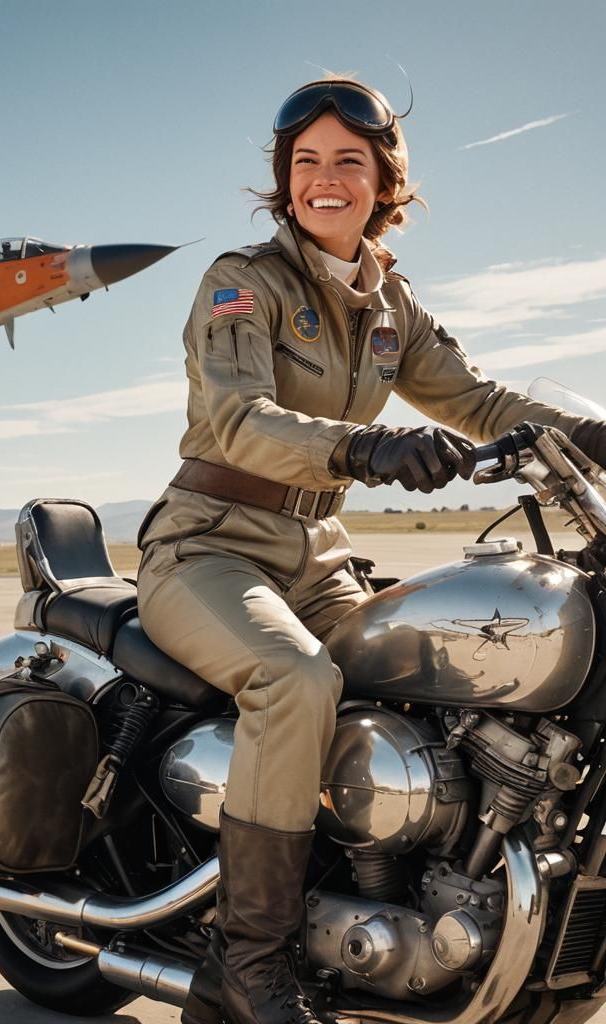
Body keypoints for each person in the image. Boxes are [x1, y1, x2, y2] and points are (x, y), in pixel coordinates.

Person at [135, 78, 606, 1024]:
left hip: (318, 554)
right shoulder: (242, 282)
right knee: (295, 683)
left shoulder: (391, 306)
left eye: (347, 161)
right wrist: (362, 446)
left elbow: (478, 400)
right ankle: (247, 967)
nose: (324, 180)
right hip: (210, 546)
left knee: (441, 677)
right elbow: (234, 416)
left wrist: (597, 433)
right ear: (284, 181)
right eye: (305, 163)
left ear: (383, 179)